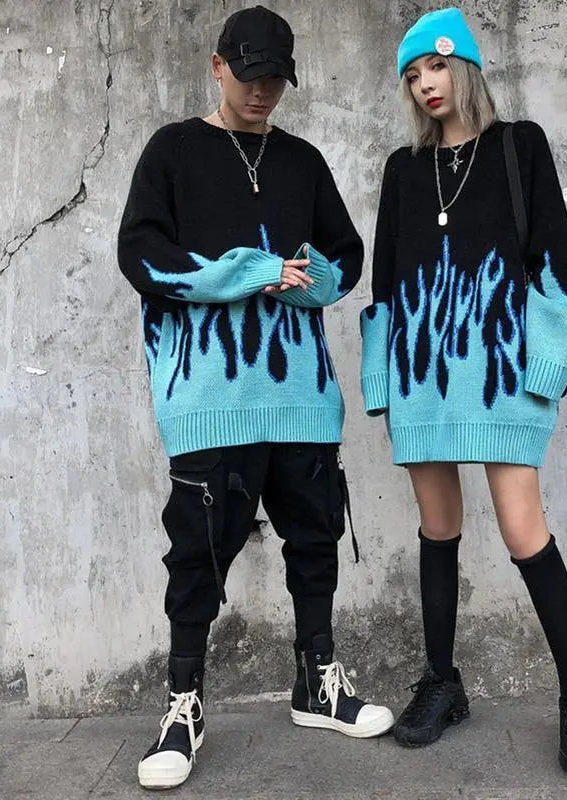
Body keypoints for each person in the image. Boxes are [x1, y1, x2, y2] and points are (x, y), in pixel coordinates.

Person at [118, 5, 393, 790]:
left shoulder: (302, 160)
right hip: (207, 396)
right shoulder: (173, 150)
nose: (262, 90)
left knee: (314, 539)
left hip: (302, 396)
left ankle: (316, 683)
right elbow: (141, 256)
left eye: (275, 77)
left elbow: (344, 257)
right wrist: (252, 271)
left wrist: (303, 283)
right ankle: (182, 706)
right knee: (197, 556)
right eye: (248, 74)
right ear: (217, 66)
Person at [359, 7, 567, 776]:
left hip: (503, 377)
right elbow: (386, 280)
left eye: (434, 66)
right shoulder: (403, 170)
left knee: (523, 531)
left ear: (463, 66)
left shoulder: (518, 146)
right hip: (423, 380)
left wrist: (544, 372)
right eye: (411, 75)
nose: (424, 84)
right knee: (438, 528)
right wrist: (382, 382)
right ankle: (442, 682)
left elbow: (560, 265)